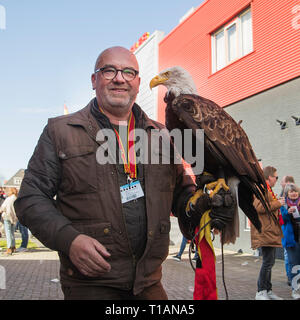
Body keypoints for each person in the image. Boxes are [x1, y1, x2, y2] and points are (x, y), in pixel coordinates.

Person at [14, 46, 235, 300]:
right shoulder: (60, 131)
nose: (120, 78)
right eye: (109, 71)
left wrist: (203, 208)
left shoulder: (164, 135)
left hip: (150, 284)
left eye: (128, 72)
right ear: (94, 80)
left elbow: (182, 195)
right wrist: (69, 240)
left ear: (138, 83)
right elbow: (30, 200)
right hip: (90, 286)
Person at [251, 166, 284, 300]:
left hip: (269, 231)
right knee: (267, 262)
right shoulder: (260, 188)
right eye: (275, 177)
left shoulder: (267, 189)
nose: (276, 179)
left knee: (269, 261)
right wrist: (277, 204)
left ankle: (267, 290)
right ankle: (260, 291)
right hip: (264, 231)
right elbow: (258, 207)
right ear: (269, 177)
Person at [280, 183, 300, 299]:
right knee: (294, 266)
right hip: (291, 239)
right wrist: (287, 213)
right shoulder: (283, 205)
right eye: (291, 192)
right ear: (287, 194)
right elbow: (281, 220)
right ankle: (295, 290)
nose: (294, 193)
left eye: (295, 191)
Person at [279, 175, 295, 285]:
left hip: (295, 233)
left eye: (282, 182)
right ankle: (290, 277)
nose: (280, 183)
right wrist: (288, 213)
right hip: (288, 233)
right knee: (288, 256)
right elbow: (282, 218)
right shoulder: (282, 200)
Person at [0, 187, 18, 255]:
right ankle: (13, 247)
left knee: (8, 233)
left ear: (11, 192)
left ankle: (9, 248)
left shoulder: (8, 199)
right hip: (14, 217)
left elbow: (3, 207)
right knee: (12, 233)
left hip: (7, 216)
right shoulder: (16, 198)